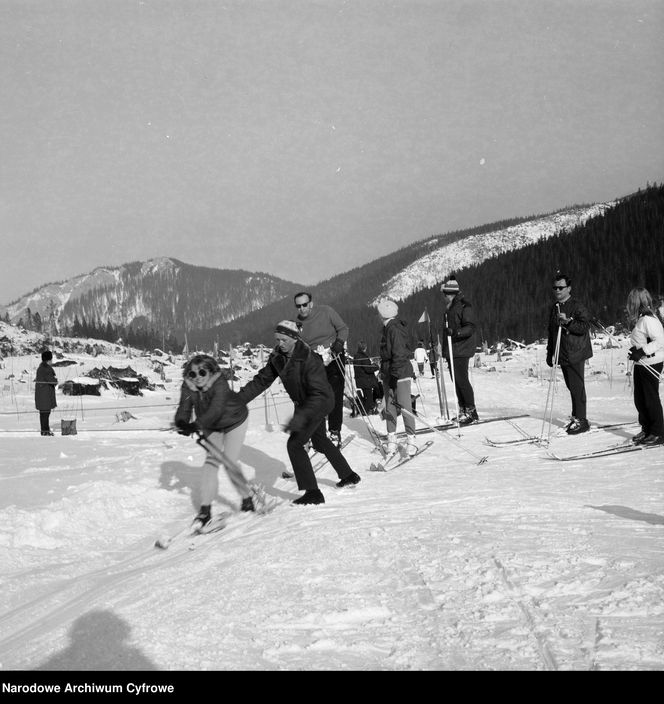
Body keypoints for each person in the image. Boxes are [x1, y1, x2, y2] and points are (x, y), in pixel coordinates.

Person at [237, 320, 360, 505]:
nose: (280, 343)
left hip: (319, 402)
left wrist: (300, 417)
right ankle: (348, 475)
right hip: (304, 403)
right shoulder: (278, 357)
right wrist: (236, 402)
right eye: (277, 339)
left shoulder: (310, 359)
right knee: (319, 440)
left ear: (294, 338)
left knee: (295, 444)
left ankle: (313, 493)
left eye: (284, 340)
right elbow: (261, 381)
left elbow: (318, 394)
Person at [173, 354, 255, 526]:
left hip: (235, 421)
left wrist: (196, 425)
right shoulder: (188, 386)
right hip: (211, 426)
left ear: (210, 372)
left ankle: (247, 498)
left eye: (202, 372)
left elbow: (216, 409)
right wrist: (182, 422)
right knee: (210, 464)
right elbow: (184, 406)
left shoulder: (220, 383)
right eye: (192, 374)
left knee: (230, 461)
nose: (197, 378)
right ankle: (205, 510)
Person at [294, 292, 348, 447]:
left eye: (304, 304)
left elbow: (344, 329)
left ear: (311, 303)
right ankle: (316, 433)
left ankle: (335, 432)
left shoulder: (326, 311)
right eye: (298, 306)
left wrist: (338, 344)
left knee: (334, 396)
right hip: (314, 360)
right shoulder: (298, 323)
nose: (302, 309)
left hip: (334, 355)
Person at [546, 272, 593, 434]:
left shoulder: (577, 305)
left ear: (569, 288)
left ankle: (582, 419)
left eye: (561, 287)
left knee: (576, 385)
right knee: (571, 386)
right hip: (563, 352)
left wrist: (569, 322)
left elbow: (585, 327)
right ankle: (576, 416)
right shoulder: (555, 307)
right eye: (555, 287)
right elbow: (551, 331)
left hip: (576, 351)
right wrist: (550, 352)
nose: (557, 290)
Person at [377, 299, 418, 456]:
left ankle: (411, 441)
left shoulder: (394, 329)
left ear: (382, 314)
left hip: (400, 374)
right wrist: (384, 372)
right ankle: (392, 440)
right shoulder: (387, 329)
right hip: (390, 374)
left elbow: (399, 355)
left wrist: (393, 375)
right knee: (390, 407)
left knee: (405, 406)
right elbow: (387, 355)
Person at [625, 287, 664, 445]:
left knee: (650, 399)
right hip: (642, 363)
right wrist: (636, 351)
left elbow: (660, 341)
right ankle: (647, 428)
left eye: (631, 302)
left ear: (637, 302)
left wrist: (642, 351)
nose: (629, 305)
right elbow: (643, 340)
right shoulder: (642, 318)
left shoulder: (648, 319)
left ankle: (658, 432)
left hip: (652, 363)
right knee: (640, 399)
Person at [440, 277, 479, 425]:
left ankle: (471, 411)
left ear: (451, 294)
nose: (444, 297)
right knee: (456, 381)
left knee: (462, 380)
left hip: (461, 349)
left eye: (446, 294)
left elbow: (470, 327)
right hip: (452, 349)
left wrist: (455, 333)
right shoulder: (450, 307)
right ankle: (463, 409)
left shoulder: (464, 306)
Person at [352, 340, 380, 415]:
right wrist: (376, 366)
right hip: (366, 380)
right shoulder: (363, 357)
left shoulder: (356, 356)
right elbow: (368, 369)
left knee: (366, 396)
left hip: (361, 380)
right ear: (364, 347)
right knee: (369, 397)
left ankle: (365, 408)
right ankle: (365, 411)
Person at [35, 349, 58, 436]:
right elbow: (52, 381)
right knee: (45, 414)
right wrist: (56, 380)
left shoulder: (40, 368)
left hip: (41, 395)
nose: (52, 361)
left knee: (43, 414)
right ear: (48, 360)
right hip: (45, 395)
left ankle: (45, 430)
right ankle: (45, 431)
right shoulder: (46, 369)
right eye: (51, 359)